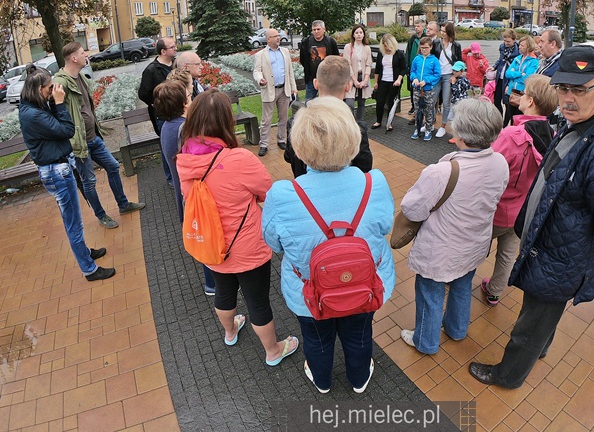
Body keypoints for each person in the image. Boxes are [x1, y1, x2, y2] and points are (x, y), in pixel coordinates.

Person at [468, 45, 594, 389]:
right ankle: (540, 347)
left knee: (530, 322)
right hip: (549, 246)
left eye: (579, 89)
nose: (567, 98)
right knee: (540, 315)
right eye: (563, 88)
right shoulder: (580, 124)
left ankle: (507, 375)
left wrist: (582, 239)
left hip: (562, 255)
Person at [263, 97, 396, 393]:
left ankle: (322, 381)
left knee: (316, 336)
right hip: (365, 282)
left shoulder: (283, 194)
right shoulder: (374, 183)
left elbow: (273, 243)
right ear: (352, 139)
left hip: (309, 291)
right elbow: (386, 226)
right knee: (359, 332)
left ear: (298, 145)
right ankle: (359, 378)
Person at [176, 89, 298, 362]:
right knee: (258, 302)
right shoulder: (239, 159)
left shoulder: (185, 160)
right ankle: (272, 350)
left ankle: (230, 331)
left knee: (223, 291)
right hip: (247, 247)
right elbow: (268, 192)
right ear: (226, 121)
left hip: (211, 245)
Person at [400, 98, 509, 354]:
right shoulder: (500, 162)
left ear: (459, 133)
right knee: (462, 286)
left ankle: (425, 342)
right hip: (475, 243)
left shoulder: (441, 172)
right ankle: (457, 329)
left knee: (430, 293)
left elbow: (412, 208)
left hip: (441, 249)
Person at [18, 64, 114, 281]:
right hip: (56, 172)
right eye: (50, 88)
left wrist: (52, 102)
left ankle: (84, 253)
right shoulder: (33, 115)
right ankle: (89, 269)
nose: (53, 91)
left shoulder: (33, 107)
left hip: (58, 168)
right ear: (38, 89)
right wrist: (60, 104)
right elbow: (67, 130)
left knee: (74, 220)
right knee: (73, 223)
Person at [481, 75, 555, 305]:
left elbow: (489, 167)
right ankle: (494, 291)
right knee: (506, 255)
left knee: (474, 245)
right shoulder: (551, 134)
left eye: (523, 93)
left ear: (530, 101)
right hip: (523, 211)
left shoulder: (513, 135)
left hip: (496, 209)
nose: (519, 96)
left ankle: (455, 275)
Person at [54, 42, 145, 230]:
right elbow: (55, 109)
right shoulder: (61, 81)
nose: (86, 55)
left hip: (94, 137)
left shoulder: (79, 77)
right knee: (89, 182)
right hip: (80, 143)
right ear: (73, 58)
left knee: (112, 166)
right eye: (82, 53)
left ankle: (123, 204)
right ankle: (101, 215)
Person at [154, 73, 216, 296]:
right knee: (206, 237)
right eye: (189, 97)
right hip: (194, 194)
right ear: (183, 103)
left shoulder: (168, 127)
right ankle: (212, 283)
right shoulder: (184, 129)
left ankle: (212, 281)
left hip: (184, 192)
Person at [284, 56, 372, 177]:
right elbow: (365, 166)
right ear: (348, 86)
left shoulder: (295, 123)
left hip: (305, 190)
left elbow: (289, 157)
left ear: (316, 83)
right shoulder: (356, 128)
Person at [252, 28, 297, 157]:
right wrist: (260, 79)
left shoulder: (285, 52)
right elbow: (256, 71)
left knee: (283, 117)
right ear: (268, 39)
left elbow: (290, 72)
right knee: (266, 120)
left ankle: (281, 140)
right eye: (275, 36)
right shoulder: (260, 55)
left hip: (284, 89)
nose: (278, 38)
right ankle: (264, 144)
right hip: (270, 90)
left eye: (278, 35)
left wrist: (293, 87)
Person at [139, 37, 177, 186]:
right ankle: (170, 178)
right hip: (162, 116)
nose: (176, 48)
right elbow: (143, 93)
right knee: (167, 146)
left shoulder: (176, 64)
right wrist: (156, 103)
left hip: (179, 111)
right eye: (172, 47)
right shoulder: (151, 70)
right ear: (163, 51)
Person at [371, 33, 406, 131]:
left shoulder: (399, 54)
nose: (386, 48)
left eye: (388, 45)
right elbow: (377, 69)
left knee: (391, 102)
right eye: (384, 45)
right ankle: (378, 121)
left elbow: (404, 69)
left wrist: (399, 79)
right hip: (383, 81)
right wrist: (376, 82)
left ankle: (389, 122)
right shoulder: (381, 54)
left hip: (394, 82)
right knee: (380, 102)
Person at [409, 37, 442, 141]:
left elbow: (437, 75)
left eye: (426, 48)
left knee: (429, 110)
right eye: (422, 48)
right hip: (417, 89)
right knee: (417, 109)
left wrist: (426, 80)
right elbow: (412, 71)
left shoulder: (434, 60)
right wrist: (414, 79)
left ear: (431, 47)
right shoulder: (417, 59)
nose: (424, 50)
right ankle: (417, 128)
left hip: (428, 89)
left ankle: (428, 128)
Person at [503, 35, 540, 127]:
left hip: (522, 95)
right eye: (519, 45)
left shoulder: (534, 61)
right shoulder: (517, 59)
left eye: (522, 45)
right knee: (511, 118)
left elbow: (527, 78)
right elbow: (507, 73)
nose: (519, 47)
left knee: (520, 120)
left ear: (528, 46)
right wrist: (519, 73)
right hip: (512, 94)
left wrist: (514, 74)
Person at [299, 20, 339, 101]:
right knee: (309, 103)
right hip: (311, 79)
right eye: (314, 30)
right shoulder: (306, 42)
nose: (316, 32)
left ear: (324, 29)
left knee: (327, 102)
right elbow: (303, 59)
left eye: (318, 29)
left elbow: (336, 59)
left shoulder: (330, 42)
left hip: (327, 79)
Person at [434, 22, 462, 138]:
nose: (442, 33)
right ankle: (429, 123)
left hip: (448, 76)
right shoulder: (436, 43)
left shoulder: (456, 45)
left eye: (444, 31)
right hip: (437, 75)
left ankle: (443, 126)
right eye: (441, 31)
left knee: (446, 102)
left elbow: (459, 62)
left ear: (450, 32)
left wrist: (455, 76)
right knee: (432, 100)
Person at [342, 24, 373, 121]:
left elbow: (368, 64)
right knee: (349, 103)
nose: (359, 35)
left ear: (364, 35)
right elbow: (347, 63)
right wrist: (354, 80)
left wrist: (365, 80)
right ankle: (350, 122)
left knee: (361, 102)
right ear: (353, 35)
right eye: (357, 33)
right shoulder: (348, 47)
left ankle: (360, 123)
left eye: (361, 32)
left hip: (363, 76)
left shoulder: (367, 48)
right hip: (351, 78)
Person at [490, 30, 520, 113]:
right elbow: (500, 59)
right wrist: (494, 67)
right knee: (496, 100)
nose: (506, 43)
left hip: (509, 76)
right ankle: (499, 117)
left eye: (508, 41)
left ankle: (505, 122)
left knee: (507, 102)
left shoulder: (518, 51)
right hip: (500, 75)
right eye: (504, 41)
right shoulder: (502, 47)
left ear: (514, 40)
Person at [405, 18, 427, 114]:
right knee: (412, 87)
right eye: (415, 26)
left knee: (423, 87)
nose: (416, 28)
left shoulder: (426, 38)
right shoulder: (412, 39)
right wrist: (408, 66)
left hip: (422, 67)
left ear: (423, 27)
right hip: (413, 67)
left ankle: (423, 106)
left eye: (418, 26)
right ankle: (413, 105)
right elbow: (408, 52)